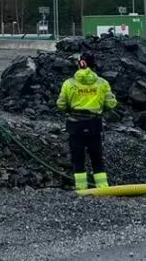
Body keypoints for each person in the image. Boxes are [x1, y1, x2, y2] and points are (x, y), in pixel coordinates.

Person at [55, 51, 118, 190]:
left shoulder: (69, 83)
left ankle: (81, 190)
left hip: (75, 124)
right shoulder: (102, 83)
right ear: (93, 65)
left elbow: (61, 104)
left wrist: (71, 108)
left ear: (79, 64)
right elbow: (111, 103)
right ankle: (102, 188)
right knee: (97, 158)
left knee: (78, 158)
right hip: (94, 124)